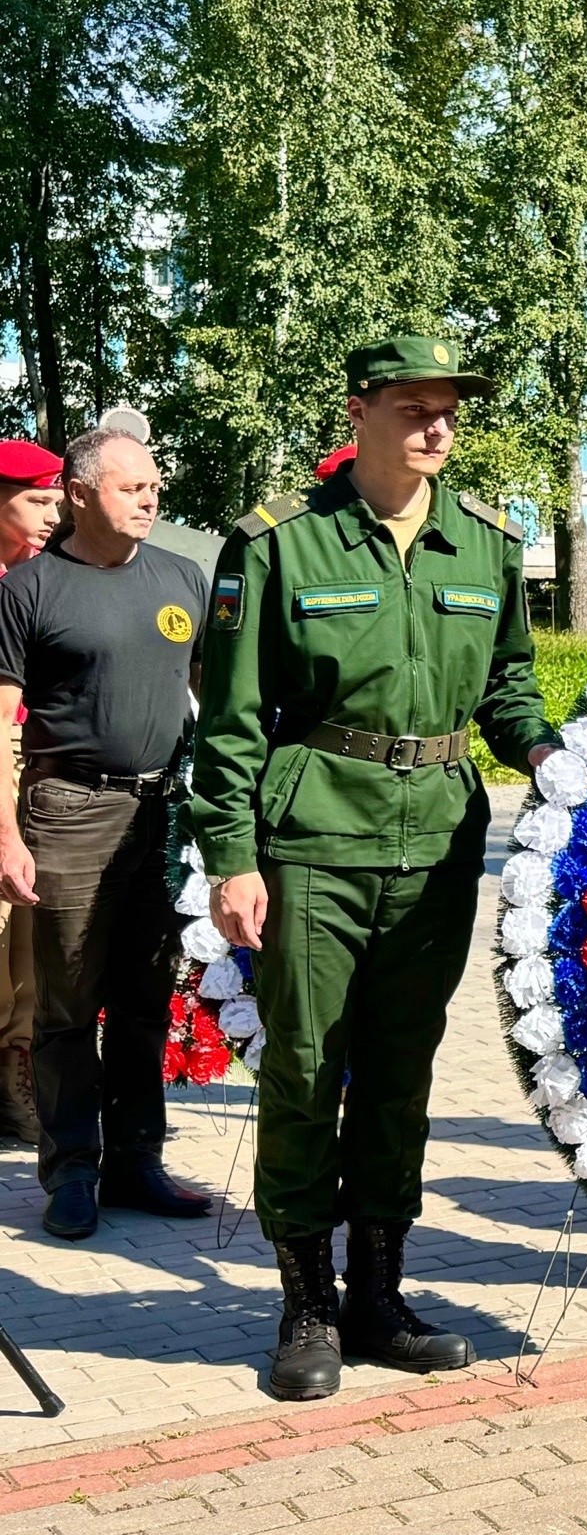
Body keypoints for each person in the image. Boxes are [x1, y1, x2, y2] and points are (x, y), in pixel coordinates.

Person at [194, 337, 561, 1401]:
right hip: (314, 841)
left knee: (401, 1077)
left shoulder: (485, 546)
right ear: (359, 412)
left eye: (447, 409)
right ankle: (306, 1306)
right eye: (413, 406)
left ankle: (379, 1297)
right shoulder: (276, 546)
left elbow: (508, 690)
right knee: (308, 1071)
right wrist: (231, 856)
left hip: (441, 842)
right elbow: (228, 724)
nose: (436, 427)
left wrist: (543, 751)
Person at [0, 429, 209, 1239]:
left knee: (145, 1000)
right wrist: (7, 838)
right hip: (68, 813)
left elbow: (217, 707)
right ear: (81, 495)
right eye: (131, 487)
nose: (150, 498)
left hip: (161, 819)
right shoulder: (31, 590)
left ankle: (136, 1161)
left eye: (154, 485)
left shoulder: (182, 578)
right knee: (66, 1002)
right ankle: (72, 1172)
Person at [0, 438, 62, 1147]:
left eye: (54, 501)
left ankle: (21, 1066)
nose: (50, 516)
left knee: (29, 927)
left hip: (39, 760)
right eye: (35, 501)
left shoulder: (45, 579)